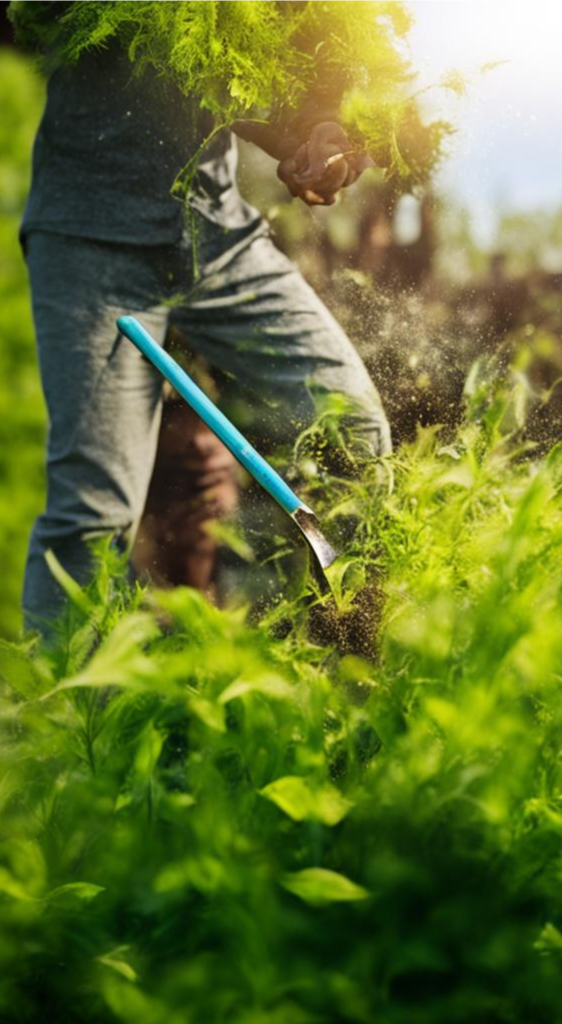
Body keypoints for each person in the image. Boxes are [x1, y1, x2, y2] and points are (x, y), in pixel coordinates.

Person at [20, 40, 391, 632]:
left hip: (217, 235)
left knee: (354, 427)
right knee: (94, 513)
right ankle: (68, 713)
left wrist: (313, 132)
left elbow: (240, 70)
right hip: (93, 240)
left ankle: (355, 676)